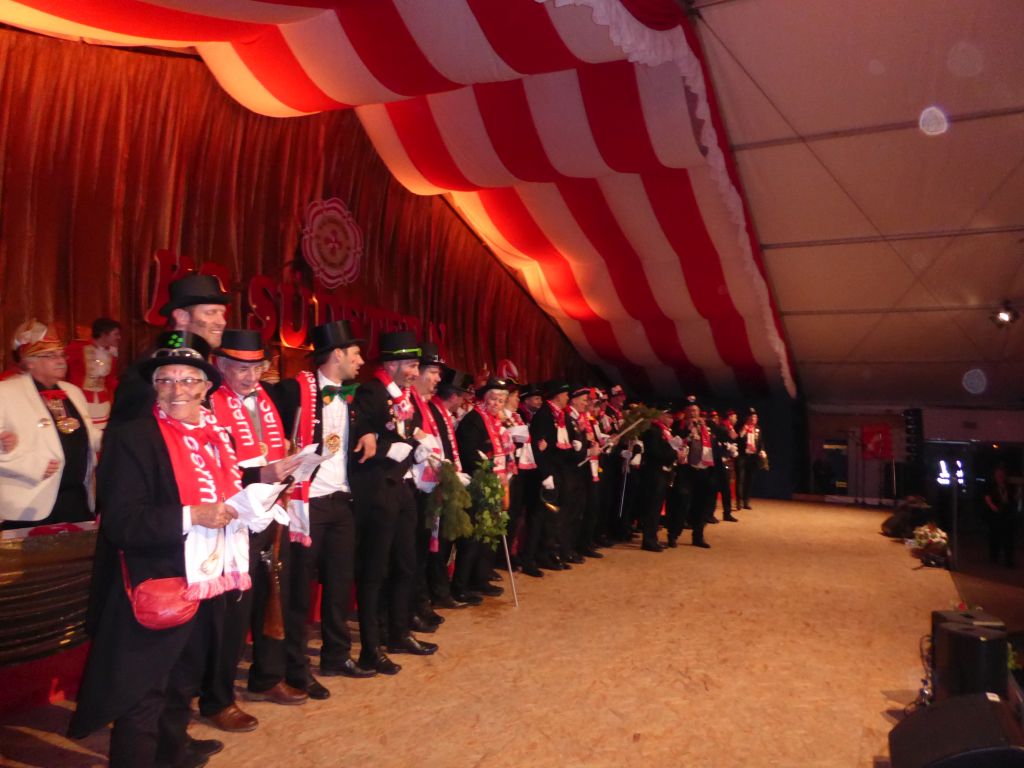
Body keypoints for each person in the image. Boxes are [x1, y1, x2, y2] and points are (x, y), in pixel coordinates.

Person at [69, 331, 245, 768]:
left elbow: (225, 493)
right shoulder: (133, 436)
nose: (176, 389)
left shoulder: (216, 435)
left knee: (183, 681)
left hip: (208, 578)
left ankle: (173, 754)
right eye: (165, 380)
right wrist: (192, 516)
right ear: (153, 386)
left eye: (188, 380)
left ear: (206, 388)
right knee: (144, 694)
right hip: (155, 580)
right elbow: (123, 522)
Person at [198, 329, 307, 731]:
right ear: (221, 366)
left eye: (257, 368)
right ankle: (217, 699)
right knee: (233, 612)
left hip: (271, 512)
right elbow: (211, 466)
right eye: (241, 369)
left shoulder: (266, 398)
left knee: (272, 595)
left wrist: (289, 468)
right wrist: (262, 473)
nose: (251, 377)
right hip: (231, 518)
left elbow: (273, 450)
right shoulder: (209, 403)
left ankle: (266, 677)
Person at [273, 320, 377, 699]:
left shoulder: (354, 396)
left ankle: (336, 655)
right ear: (337, 355)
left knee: (338, 584)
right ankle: (296, 668)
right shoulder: (292, 390)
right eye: (356, 354)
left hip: (342, 500)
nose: (361, 361)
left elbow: (369, 421)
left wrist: (369, 432)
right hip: (307, 503)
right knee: (299, 590)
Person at [348, 329, 437, 676]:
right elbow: (358, 440)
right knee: (374, 571)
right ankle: (371, 647)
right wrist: (388, 449)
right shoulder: (371, 392)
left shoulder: (406, 398)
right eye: (411, 366)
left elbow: (409, 431)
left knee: (405, 564)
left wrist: (420, 447)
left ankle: (398, 632)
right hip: (376, 491)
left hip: (402, 489)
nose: (415, 372)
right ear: (392, 365)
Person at [0, 320, 101, 529]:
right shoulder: (6, 393)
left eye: (62, 355)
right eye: (50, 356)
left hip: (76, 500)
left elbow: (86, 435)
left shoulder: (73, 392)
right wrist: (32, 465)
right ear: (29, 362)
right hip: (29, 503)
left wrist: (116, 438)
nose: (61, 361)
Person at [110, 273, 228, 425]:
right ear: (182, 317)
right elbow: (129, 432)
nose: (221, 322)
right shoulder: (148, 373)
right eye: (211, 313)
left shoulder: (205, 361)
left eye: (222, 313)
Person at [453, 377, 511, 600]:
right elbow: (469, 453)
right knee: (473, 538)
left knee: (488, 536)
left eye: (501, 400)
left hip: (495, 484)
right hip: (478, 485)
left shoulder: (497, 423)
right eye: (494, 399)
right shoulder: (474, 419)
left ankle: (480, 578)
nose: (497, 404)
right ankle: (461, 585)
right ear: (485, 399)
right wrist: (487, 469)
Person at [427, 368, 475, 605]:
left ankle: (440, 591)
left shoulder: (442, 413)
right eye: (462, 395)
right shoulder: (434, 413)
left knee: (445, 540)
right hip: (436, 484)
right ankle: (438, 592)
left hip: (447, 482)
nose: (463, 401)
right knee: (439, 541)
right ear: (454, 395)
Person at [528, 380, 586, 569]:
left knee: (554, 516)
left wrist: (578, 449)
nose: (568, 397)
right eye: (566, 394)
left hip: (561, 471)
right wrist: (546, 474)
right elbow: (538, 447)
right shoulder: (544, 415)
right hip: (548, 473)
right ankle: (539, 555)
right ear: (558, 395)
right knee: (544, 516)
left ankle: (551, 552)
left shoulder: (562, 416)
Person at [637, 409, 683, 552]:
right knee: (652, 507)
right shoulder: (653, 431)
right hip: (654, 473)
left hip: (662, 472)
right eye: (668, 416)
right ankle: (649, 540)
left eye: (672, 417)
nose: (671, 420)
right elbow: (655, 452)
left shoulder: (664, 431)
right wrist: (675, 454)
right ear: (661, 416)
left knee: (656, 507)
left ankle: (652, 538)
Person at [66, 317, 121, 431]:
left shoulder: (111, 353)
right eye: (115, 334)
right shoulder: (77, 348)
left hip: (102, 402)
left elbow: (110, 380)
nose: (119, 337)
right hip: (80, 399)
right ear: (104, 334)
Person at [673, 400, 714, 549]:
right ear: (685, 412)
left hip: (703, 470)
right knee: (682, 504)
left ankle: (698, 536)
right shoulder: (679, 426)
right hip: (686, 470)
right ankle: (673, 535)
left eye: (695, 410)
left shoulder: (706, 428)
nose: (692, 413)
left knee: (701, 505)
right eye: (690, 411)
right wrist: (688, 432)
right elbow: (676, 443)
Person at [983, 463, 1018, 568]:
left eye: (1002, 474)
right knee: (995, 536)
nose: (1000, 476)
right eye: (998, 474)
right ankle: (994, 556)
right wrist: (992, 506)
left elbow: (1014, 498)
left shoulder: (1009, 486)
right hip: (995, 513)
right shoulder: (991, 485)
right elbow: (987, 498)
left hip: (1007, 514)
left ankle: (1008, 559)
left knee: (1008, 537)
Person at [736, 409, 765, 511]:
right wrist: (743, 430)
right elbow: (738, 439)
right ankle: (739, 502)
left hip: (752, 457)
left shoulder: (757, 428)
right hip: (742, 456)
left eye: (755, 417)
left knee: (750, 479)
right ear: (747, 418)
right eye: (752, 417)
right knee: (740, 479)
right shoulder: (742, 427)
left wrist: (762, 450)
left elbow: (760, 442)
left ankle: (746, 501)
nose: (753, 419)